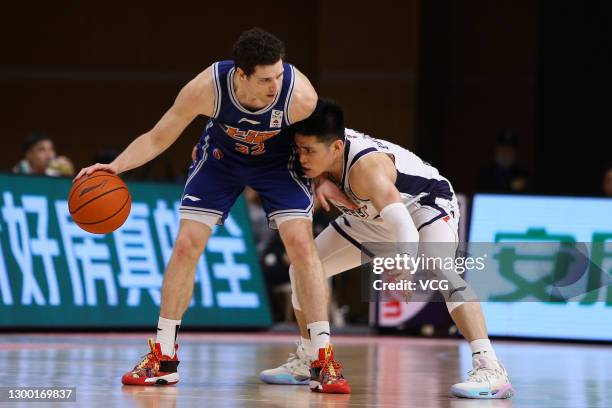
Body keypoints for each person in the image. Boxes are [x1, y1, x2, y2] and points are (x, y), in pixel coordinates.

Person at [74, 28, 351, 394]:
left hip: (278, 163)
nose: (275, 84)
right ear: (241, 74)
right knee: (186, 244)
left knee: (301, 245)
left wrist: (327, 177)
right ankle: (163, 356)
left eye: (279, 74)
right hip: (222, 160)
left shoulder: (299, 95)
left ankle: (322, 357)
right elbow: (159, 136)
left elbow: (321, 143)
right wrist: (115, 168)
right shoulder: (207, 88)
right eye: (266, 79)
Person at [260, 100, 514, 399]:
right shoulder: (317, 148)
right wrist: (318, 180)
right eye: (299, 149)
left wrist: (405, 261)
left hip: (422, 206)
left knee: (442, 269)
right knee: (302, 267)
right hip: (370, 216)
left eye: (309, 152)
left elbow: (403, 224)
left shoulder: (368, 169)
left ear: (336, 148)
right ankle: (309, 357)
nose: (301, 157)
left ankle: (490, 367)